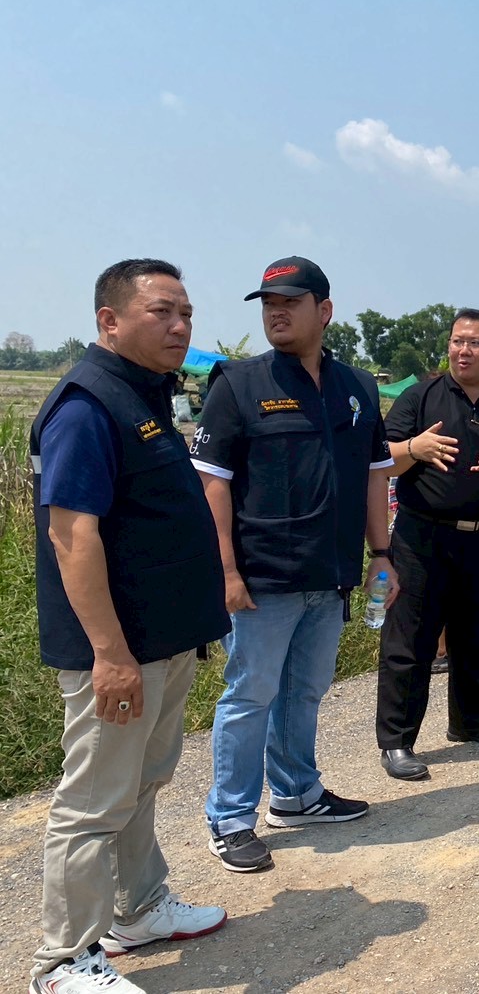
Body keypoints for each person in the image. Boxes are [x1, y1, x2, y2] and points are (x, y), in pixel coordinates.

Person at [29, 260, 230, 994]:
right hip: (117, 651)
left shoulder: (144, 394)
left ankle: (139, 908)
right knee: (93, 802)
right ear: (109, 321)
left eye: (186, 312)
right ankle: (63, 961)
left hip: (161, 641)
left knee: (141, 783)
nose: (179, 326)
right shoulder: (87, 406)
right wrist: (109, 654)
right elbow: (71, 535)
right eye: (161, 312)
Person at [191, 258, 396, 872]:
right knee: (250, 696)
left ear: (324, 311)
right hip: (262, 579)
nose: (276, 312)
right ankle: (230, 818)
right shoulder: (239, 384)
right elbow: (213, 484)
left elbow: (375, 475)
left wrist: (382, 555)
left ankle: (297, 793)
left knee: (304, 691)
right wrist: (226, 571)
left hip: (330, 575)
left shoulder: (357, 387)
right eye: (268, 304)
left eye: (289, 301)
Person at [375, 309, 479, 781]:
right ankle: (397, 741)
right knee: (410, 642)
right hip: (422, 538)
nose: (463, 350)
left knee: (475, 638)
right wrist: (415, 449)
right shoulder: (419, 397)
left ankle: (468, 720)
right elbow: (380, 461)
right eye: (456, 341)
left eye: (474, 343)